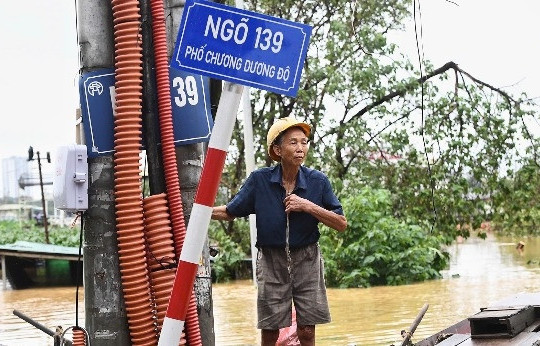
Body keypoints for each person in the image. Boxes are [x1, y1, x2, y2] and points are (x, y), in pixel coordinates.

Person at [212, 117, 347, 346]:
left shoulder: (318, 181)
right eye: (293, 143)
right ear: (277, 149)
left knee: (306, 330)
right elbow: (230, 211)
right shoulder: (260, 180)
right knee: (270, 329)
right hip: (271, 260)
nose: (300, 148)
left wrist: (307, 206)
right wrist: (198, 212)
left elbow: (341, 223)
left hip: (307, 258)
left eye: (304, 142)